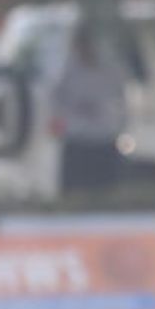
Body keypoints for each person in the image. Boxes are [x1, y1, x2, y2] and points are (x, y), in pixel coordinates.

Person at [51, 25, 130, 194]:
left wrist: (120, 126)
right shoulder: (67, 70)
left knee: (105, 190)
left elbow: (121, 99)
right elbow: (56, 100)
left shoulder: (110, 69)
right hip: (77, 139)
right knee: (75, 191)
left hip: (104, 139)